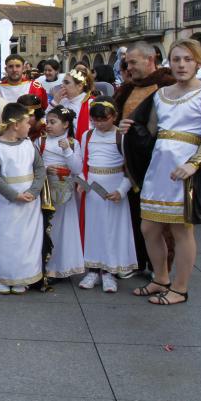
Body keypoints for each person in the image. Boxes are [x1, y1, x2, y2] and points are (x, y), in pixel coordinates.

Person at [131, 39, 201, 305]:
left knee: (182, 231)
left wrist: (194, 163)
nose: (181, 64)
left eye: (188, 59)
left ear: (198, 62)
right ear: (168, 63)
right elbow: (148, 130)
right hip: (158, 167)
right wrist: (130, 128)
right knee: (149, 227)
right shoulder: (161, 94)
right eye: (176, 59)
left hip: (186, 169)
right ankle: (161, 278)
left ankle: (180, 288)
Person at [116, 40, 176, 278]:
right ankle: (139, 260)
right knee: (135, 216)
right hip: (130, 166)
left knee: (161, 222)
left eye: (133, 62)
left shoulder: (168, 86)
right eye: (127, 63)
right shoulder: (128, 88)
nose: (128, 67)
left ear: (150, 60)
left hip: (157, 164)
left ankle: (162, 269)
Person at [0, 103, 45, 294]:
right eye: (27, 122)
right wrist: (14, 195)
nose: (30, 126)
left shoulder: (29, 145)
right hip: (4, 204)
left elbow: (39, 168)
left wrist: (34, 191)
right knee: (4, 240)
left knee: (26, 241)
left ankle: (22, 277)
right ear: (16, 124)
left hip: (28, 204)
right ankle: (4, 277)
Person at [78, 97, 136, 293]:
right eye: (95, 119)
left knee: (112, 231)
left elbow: (131, 168)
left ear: (114, 117)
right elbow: (81, 163)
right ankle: (92, 270)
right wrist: (81, 184)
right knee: (93, 230)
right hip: (93, 189)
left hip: (115, 187)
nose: (99, 123)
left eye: (104, 119)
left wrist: (122, 190)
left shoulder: (122, 136)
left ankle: (109, 273)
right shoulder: (87, 135)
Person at [36, 106, 84, 280]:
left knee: (64, 228)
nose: (48, 125)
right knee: (47, 226)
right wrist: (47, 168)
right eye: (47, 121)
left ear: (65, 124)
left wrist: (67, 150)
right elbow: (35, 165)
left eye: (53, 122)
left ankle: (63, 266)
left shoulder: (72, 143)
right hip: (46, 189)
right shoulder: (40, 141)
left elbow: (77, 168)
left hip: (65, 191)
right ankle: (45, 265)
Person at [56, 69, 94, 140]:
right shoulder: (62, 101)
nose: (62, 86)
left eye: (66, 83)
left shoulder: (91, 104)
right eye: (63, 82)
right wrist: (55, 102)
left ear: (79, 86)